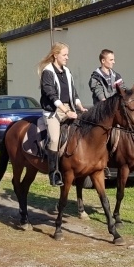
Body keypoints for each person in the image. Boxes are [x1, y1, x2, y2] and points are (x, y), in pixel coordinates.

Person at [38, 42, 87, 186]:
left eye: (67, 55)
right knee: (54, 139)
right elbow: (52, 95)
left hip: (69, 108)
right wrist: (66, 111)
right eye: (64, 55)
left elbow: (74, 92)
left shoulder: (67, 71)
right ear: (55, 55)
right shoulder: (47, 72)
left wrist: (80, 107)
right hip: (54, 112)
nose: (67, 58)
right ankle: (54, 174)